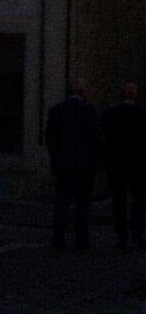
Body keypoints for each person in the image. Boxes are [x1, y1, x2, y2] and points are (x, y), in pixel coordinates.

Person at [45, 79, 103, 251]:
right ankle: (82, 239)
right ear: (82, 92)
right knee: (83, 203)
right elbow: (97, 139)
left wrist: (57, 156)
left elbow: (50, 138)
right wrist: (96, 160)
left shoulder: (56, 111)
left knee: (62, 200)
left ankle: (59, 235)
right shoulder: (90, 112)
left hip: (63, 164)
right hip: (84, 165)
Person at [102, 83, 146, 252]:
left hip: (117, 163)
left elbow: (106, 137)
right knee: (138, 200)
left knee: (119, 201)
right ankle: (138, 234)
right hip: (137, 164)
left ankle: (122, 236)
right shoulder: (141, 115)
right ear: (134, 96)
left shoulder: (110, 115)